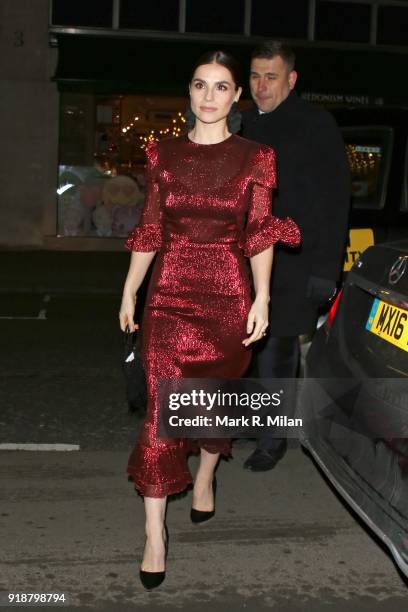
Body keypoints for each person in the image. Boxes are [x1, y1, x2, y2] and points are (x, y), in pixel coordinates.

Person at [119, 50, 301, 590]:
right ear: (190, 92)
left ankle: (205, 475)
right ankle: (155, 534)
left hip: (225, 295)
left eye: (221, 87)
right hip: (169, 295)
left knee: (209, 400)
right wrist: (130, 288)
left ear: (235, 97)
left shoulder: (256, 157)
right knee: (161, 411)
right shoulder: (164, 155)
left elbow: (261, 232)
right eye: (200, 85)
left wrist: (262, 296)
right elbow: (151, 228)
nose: (209, 96)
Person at [242, 41, 350, 472]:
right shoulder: (241, 122)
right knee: (246, 350)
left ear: (291, 79)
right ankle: (253, 421)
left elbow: (335, 198)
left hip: (294, 260)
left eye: (270, 76)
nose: (261, 85)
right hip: (243, 260)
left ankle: (273, 439)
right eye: (254, 76)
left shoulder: (316, 124)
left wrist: (326, 269)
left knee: (277, 351)